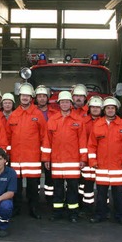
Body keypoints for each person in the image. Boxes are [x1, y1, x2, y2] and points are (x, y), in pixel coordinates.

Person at [87, 97, 122, 226]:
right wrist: (93, 161)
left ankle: (121, 216)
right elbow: (91, 145)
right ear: (104, 110)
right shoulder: (98, 125)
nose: (110, 110)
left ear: (116, 110)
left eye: (112, 108)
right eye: (108, 108)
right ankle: (100, 215)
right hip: (101, 166)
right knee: (101, 194)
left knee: (118, 194)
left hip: (118, 166)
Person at [43, 91, 87, 223]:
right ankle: (57, 212)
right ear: (59, 104)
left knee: (73, 188)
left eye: (67, 102)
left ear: (71, 104)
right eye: (62, 102)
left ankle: (73, 212)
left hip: (73, 162)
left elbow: (83, 142)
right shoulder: (52, 120)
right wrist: (46, 158)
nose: (64, 104)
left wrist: (83, 158)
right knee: (58, 188)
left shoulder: (78, 121)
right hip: (56, 161)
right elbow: (47, 141)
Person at [7, 83, 47, 219]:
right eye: (23, 95)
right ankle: (16, 208)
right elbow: (8, 136)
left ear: (31, 98)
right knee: (16, 187)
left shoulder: (38, 115)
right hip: (16, 158)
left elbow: (44, 136)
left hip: (32, 158)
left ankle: (33, 208)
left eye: (27, 96)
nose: (25, 98)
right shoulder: (13, 115)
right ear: (20, 97)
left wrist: (44, 156)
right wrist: (8, 155)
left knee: (32, 187)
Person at [78, 96, 103, 216]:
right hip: (87, 158)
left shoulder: (105, 122)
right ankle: (86, 208)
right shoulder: (83, 122)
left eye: (98, 107)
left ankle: (103, 208)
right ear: (89, 108)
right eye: (93, 107)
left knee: (102, 186)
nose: (95, 109)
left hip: (102, 159)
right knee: (86, 185)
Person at [34, 85, 58, 206]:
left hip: (50, 148)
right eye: (39, 96)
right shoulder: (31, 112)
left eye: (44, 96)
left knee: (50, 174)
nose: (42, 99)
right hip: (35, 148)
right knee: (35, 174)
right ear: (36, 98)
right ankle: (35, 198)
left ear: (48, 98)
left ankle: (50, 199)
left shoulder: (55, 113)